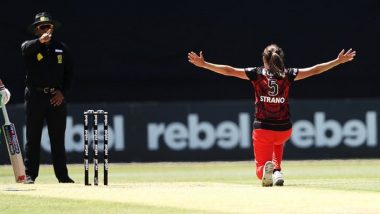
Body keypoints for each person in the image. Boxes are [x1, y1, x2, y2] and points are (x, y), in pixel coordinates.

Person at [188, 44, 356, 187]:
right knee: (277, 142)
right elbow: (315, 70)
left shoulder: (257, 73)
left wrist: (205, 65)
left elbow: (229, 71)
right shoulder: (289, 74)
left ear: (264, 59)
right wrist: (337, 61)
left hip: (263, 128)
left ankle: (266, 171)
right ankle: (277, 171)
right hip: (285, 129)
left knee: (260, 169)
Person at [21, 12, 74, 184]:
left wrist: (62, 93)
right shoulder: (31, 47)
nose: (46, 30)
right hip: (35, 96)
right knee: (33, 137)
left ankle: (62, 176)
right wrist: (39, 42)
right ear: (37, 30)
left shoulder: (61, 48)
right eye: (42, 27)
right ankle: (30, 175)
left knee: (57, 138)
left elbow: (70, 74)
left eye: (49, 26)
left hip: (55, 98)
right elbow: (24, 49)